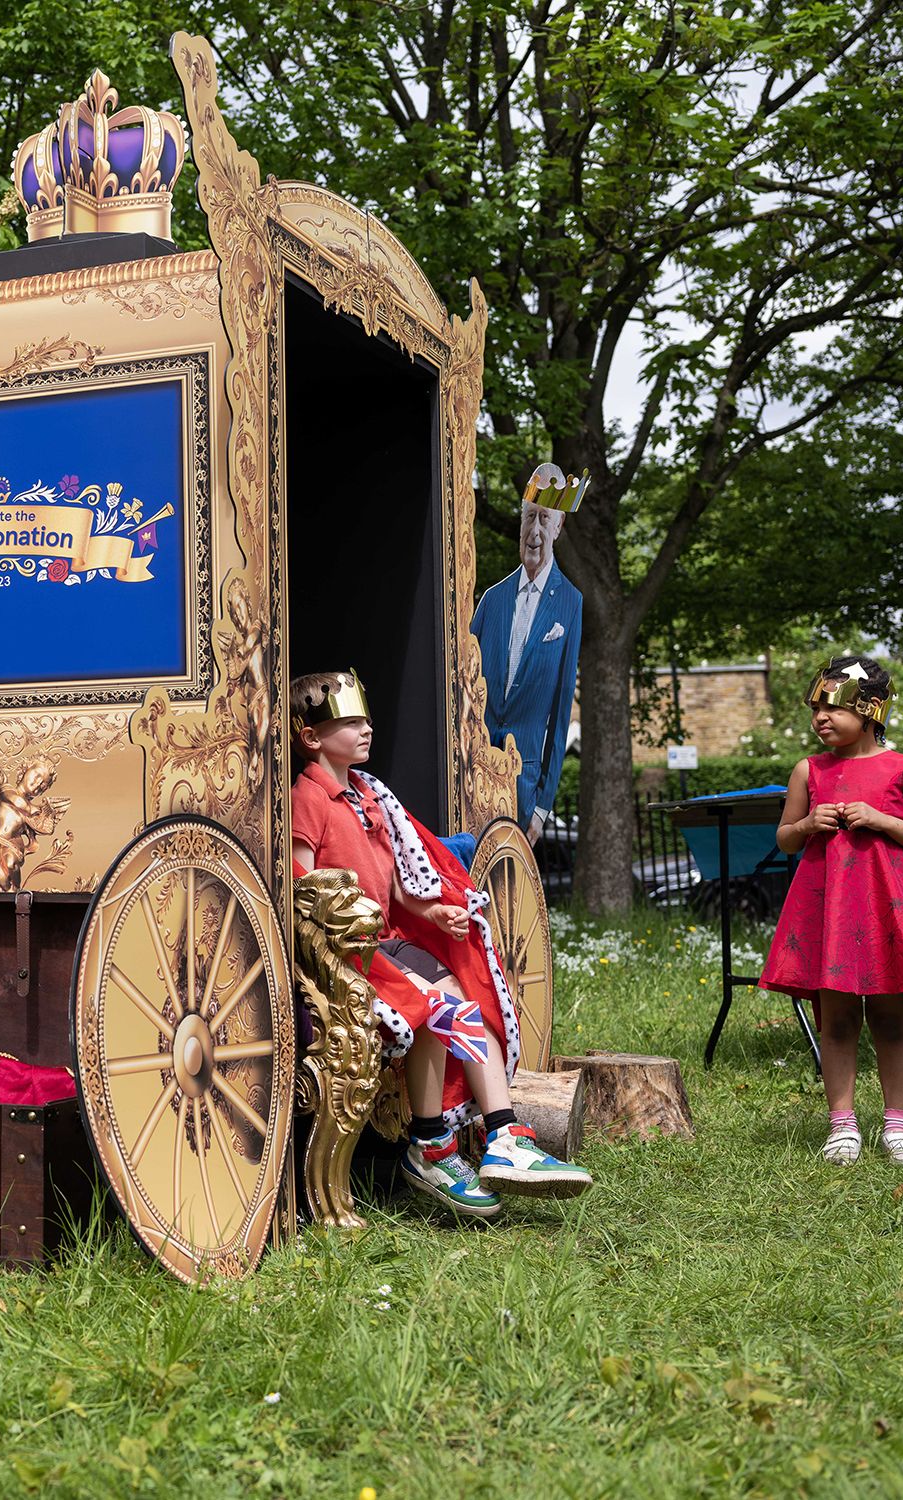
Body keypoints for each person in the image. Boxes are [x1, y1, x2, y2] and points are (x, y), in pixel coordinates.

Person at [291, 669, 591, 1217]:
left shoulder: (369, 797)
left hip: (387, 936)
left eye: (367, 720)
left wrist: (432, 910)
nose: (366, 730)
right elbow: (303, 882)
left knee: (466, 1001)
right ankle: (432, 1145)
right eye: (351, 721)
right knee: (437, 1009)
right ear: (312, 737)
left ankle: (503, 1136)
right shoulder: (309, 798)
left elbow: (397, 881)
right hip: (348, 948)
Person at [759, 655, 903, 1164]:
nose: (820, 717)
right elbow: (786, 839)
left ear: (870, 710)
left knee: (890, 1016)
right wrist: (809, 823)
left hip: (885, 908)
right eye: (815, 708)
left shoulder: (901, 769)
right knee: (834, 1017)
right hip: (829, 908)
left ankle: (898, 1126)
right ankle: (842, 1125)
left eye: (832, 706)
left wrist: (882, 820)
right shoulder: (807, 771)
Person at [471, 476, 583, 840]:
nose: (534, 530)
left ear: (558, 525)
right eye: (529, 517)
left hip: (524, 785)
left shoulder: (570, 603)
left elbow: (562, 712)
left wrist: (542, 805)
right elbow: (464, 688)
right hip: (475, 776)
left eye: (544, 519)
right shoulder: (492, 599)